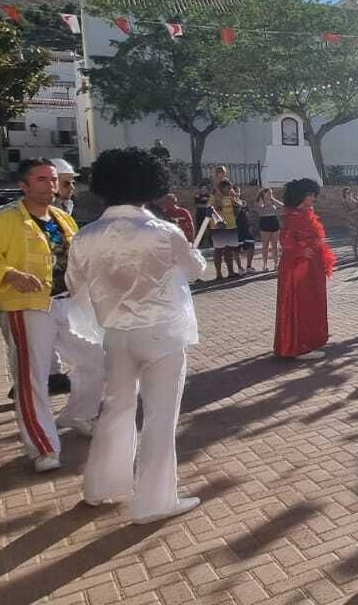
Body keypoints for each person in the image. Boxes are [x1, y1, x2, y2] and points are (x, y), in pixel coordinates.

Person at [71, 147, 206, 525]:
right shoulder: (164, 232)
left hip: (116, 334)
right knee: (160, 418)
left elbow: (74, 285)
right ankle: (153, 501)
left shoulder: (85, 236)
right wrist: (191, 254)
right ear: (150, 184)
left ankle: (99, 487)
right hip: (163, 333)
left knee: (115, 408)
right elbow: (196, 270)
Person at [0, 159, 106, 473]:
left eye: (54, 180)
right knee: (34, 379)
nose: (50, 186)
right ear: (24, 186)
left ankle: (80, 414)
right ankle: (43, 447)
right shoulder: (2, 221)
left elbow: (78, 260)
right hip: (26, 307)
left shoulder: (62, 218)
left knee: (97, 359)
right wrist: (9, 274)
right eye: (42, 180)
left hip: (67, 304)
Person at [274, 179, 336, 359]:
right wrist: (303, 250)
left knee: (310, 304)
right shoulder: (294, 216)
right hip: (299, 268)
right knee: (301, 305)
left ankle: (305, 342)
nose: (313, 198)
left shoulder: (305, 213)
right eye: (310, 194)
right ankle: (299, 346)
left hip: (310, 267)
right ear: (302, 195)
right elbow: (286, 240)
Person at [207, 180, 242, 280]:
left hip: (231, 226)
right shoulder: (214, 197)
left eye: (230, 188)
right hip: (219, 228)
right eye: (228, 188)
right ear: (222, 188)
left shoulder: (231, 197)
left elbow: (237, 209)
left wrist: (237, 206)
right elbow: (210, 210)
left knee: (229, 250)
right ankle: (218, 274)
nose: (230, 190)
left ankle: (231, 272)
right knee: (218, 250)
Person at [254, 188, 284, 271]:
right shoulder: (259, 201)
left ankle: (276, 264)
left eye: (271, 193)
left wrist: (273, 200)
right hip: (265, 222)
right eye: (268, 193)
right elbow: (260, 210)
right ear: (263, 193)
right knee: (265, 244)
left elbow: (282, 206)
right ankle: (265, 264)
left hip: (274, 221)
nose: (270, 194)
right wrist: (263, 201)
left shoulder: (273, 201)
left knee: (275, 244)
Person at [341, 187, 358, 259]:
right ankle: (355, 254)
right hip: (351, 221)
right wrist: (357, 209)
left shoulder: (355, 198)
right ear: (344, 194)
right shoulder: (344, 202)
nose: (349, 194)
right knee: (354, 237)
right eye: (347, 193)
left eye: (350, 192)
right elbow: (347, 213)